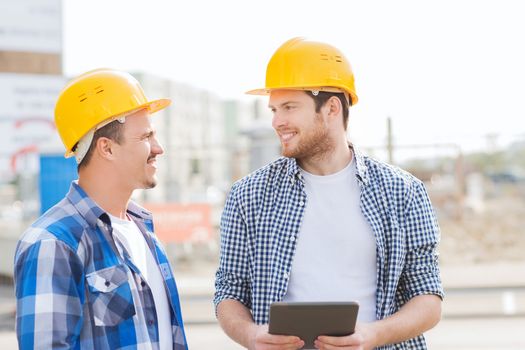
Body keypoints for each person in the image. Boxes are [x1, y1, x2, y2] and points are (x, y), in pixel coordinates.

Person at [214, 37, 443, 349]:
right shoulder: (248, 196)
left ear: (332, 108)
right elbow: (229, 291)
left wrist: (374, 335)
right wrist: (251, 335)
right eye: (274, 109)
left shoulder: (403, 191)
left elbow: (428, 298)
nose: (277, 122)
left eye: (290, 107)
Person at [14, 69, 187, 349]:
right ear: (106, 148)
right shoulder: (53, 243)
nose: (158, 148)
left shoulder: (145, 232)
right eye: (146, 136)